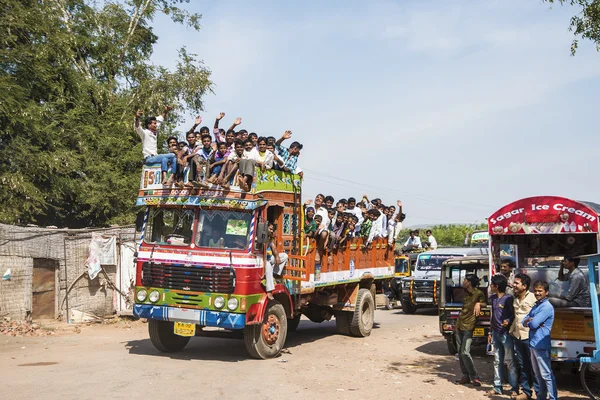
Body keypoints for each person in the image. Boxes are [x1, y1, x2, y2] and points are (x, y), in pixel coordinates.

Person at [523, 281, 557, 400]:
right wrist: (531, 321)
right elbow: (524, 321)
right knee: (538, 375)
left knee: (546, 375)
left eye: (540, 291)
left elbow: (533, 323)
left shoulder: (546, 307)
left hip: (541, 344)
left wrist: (531, 321)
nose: (537, 293)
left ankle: (553, 397)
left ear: (546, 292)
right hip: (533, 344)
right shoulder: (537, 305)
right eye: (536, 291)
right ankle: (541, 397)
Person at [487, 274, 518, 397]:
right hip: (496, 333)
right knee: (497, 360)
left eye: (492, 284)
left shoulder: (508, 299)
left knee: (510, 361)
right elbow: (492, 316)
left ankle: (514, 388)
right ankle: (497, 386)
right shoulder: (493, 298)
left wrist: (508, 320)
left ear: (497, 286)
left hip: (506, 334)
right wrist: (490, 332)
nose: (490, 286)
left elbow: (513, 314)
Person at [510, 273, 539, 400]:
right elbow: (516, 317)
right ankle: (526, 392)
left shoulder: (533, 298)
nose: (514, 285)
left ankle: (539, 393)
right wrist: (511, 330)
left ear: (524, 286)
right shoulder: (515, 299)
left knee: (534, 367)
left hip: (530, 337)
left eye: (516, 283)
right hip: (518, 337)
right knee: (523, 366)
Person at [455, 273, 485, 387]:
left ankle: (474, 376)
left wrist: (479, 304)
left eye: (465, 280)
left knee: (465, 352)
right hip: (459, 324)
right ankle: (465, 375)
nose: (463, 282)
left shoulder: (478, 294)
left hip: (469, 327)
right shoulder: (465, 293)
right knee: (460, 352)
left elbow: (485, 304)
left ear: (469, 283)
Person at [134, 107, 177, 187]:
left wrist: (165, 111)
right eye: (154, 123)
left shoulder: (154, 132)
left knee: (166, 159)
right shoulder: (145, 133)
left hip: (155, 157)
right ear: (149, 125)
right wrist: (137, 117)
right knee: (173, 155)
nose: (156, 125)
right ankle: (170, 177)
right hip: (149, 158)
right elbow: (138, 128)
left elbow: (160, 119)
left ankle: (166, 178)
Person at [264, 222, 288, 300]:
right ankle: (269, 290)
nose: (271, 231)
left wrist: (277, 256)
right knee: (267, 264)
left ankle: (274, 274)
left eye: (272, 230)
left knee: (284, 256)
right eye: (270, 229)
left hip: (268, 258)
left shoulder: (269, 238)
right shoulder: (260, 236)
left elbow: (273, 248)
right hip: (260, 259)